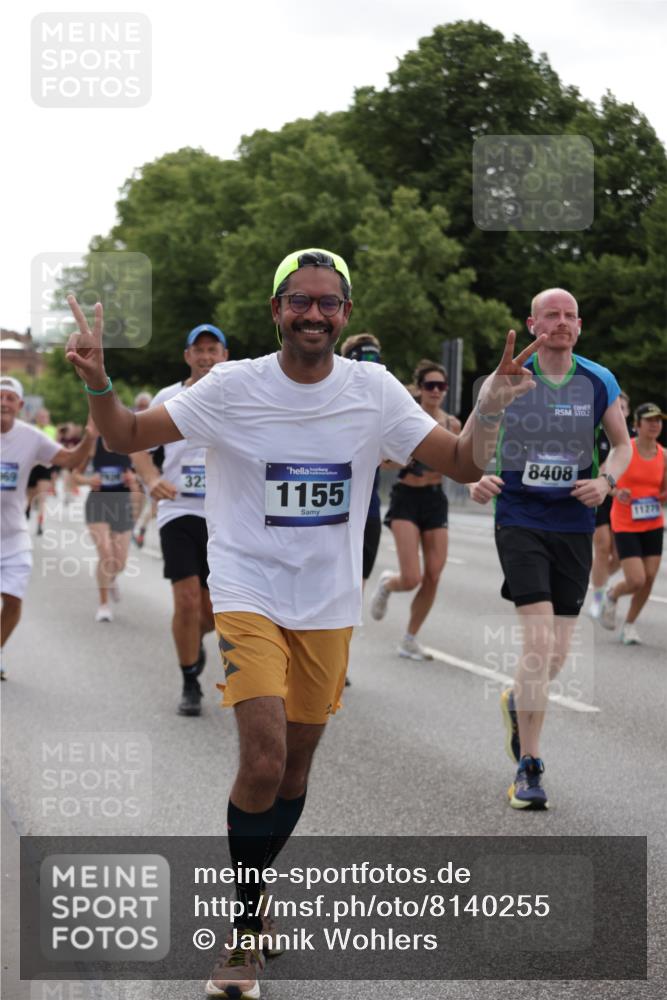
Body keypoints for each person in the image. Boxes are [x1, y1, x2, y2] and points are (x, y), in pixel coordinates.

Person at [65, 247, 543, 998]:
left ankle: (256, 893)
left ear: (345, 313)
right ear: (276, 310)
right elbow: (125, 434)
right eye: (300, 301)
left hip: (326, 604)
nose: (314, 313)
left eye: (328, 302)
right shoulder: (231, 386)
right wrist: (96, 378)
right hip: (248, 589)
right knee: (260, 760)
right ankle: (245, 927)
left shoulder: (372, 390)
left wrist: (487, 407)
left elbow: (455, 461)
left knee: (294, 767)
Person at [469, 287, 631, 811]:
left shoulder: (598, 379)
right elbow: (476, 445)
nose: (560, 323)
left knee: (557, 653)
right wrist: (478, 479)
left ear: (578, 326)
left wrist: (606, 481)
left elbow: (622, 446)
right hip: (519, 516)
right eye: (550, 315)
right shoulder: (511, 377)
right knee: (539, 645)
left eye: (568, 316)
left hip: (574, 521)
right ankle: (529, 765)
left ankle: (517, 700)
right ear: (532, 323)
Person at [130, 324, 228, 715]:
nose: (205, 356)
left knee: (214, 614)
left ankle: (193, 641)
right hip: (179, 511)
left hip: (225, 518)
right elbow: (137, 442)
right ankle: (189, 680)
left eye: (213, 349)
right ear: (187, 356)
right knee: (186, 601)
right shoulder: (169, 397)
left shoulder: (237, 397)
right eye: (198, 350)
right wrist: (152, 479)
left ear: (225, 356)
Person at [0, 376, 95, 679]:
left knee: (13, 598)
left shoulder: (30, 437)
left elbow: (69, 459)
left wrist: (90, 437)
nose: (3, 402)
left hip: (13, 534)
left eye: (9, 398)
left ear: (20, 405)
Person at [370, 359, 461, 660]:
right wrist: (407, 457)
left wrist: (476, 483)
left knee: (434, 574)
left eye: (441, 386)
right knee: (412, 577)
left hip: (435, 500)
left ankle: (410, 638)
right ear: (420, 389)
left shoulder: (452, 424)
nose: (436, 391)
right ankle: (387, 584)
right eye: (430, 385)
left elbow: (459, 464)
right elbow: (385, 461)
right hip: (406, 497)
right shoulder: (407, 419)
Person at [599, 402, 666, 643]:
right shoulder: (625, 450)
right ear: (637, 425)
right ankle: (613, 593)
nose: (655, 424)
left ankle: (629, 625)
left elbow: (663, 489)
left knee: (649, 577)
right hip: (625, 521)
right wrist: (617, 493)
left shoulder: (664, 455)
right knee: (636, 579)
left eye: (658, 420)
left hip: (653, 522)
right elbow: (602, 478)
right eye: (649, 420)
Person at [73, 426, 137, 622]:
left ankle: (111, 579)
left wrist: (133, 480)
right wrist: (88, 480)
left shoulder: (130, 446)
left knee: (120, 562)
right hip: (97, 504)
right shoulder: (94, 445)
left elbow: (140, 478)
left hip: (121, 505)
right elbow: (74, 475)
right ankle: (103, 604)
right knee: (106, 554)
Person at [588, 391, 631, 619]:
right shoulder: (598, 434)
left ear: (628, 412)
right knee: (602, 548)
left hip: (624, 505)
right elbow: (599, 470)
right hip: (602, 499)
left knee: (619, 556)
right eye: (617, 408)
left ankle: (599, 580)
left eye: (624, 409)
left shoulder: (631, 437)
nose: (620, 413)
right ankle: (597, 598)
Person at [26, 407, 58, 535]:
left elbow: (55, 448)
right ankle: (27, 508)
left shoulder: (52, 430)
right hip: (32, 466)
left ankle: (40, 523)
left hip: (46, 467)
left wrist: (55, 468)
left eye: (45, 417)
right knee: (31, 494)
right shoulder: (31, 429)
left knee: (42, 497)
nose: (43, 419)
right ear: (37, 418)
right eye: (41, 417)